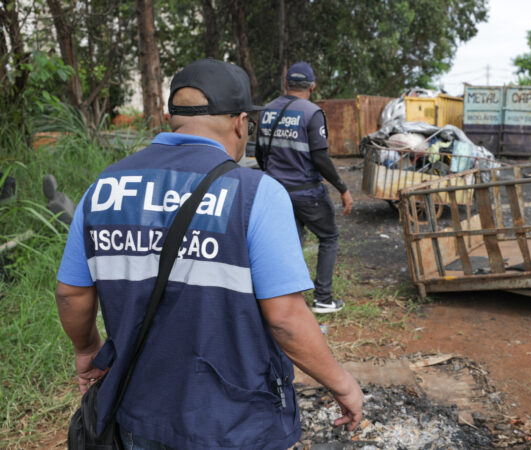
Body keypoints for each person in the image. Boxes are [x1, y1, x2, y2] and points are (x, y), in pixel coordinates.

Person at [55, 58, 363, 450]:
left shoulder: (102, 189)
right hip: (234, 423)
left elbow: (71, 294)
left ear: (171, 119)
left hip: (139, 413)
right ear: (240, 123)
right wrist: (342, 383)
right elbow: (286, 319)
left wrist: (86, 349)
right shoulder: (256, 194)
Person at [256, 61, 353, 314]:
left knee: (291, 241)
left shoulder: (267, 111)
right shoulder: (312, 113)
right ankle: (323, 299)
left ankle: (282, 298)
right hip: (307, 192)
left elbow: (259, 154)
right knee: (328, 236)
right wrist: (342, 188)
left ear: (286, 84)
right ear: (312, 86)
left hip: (276, 191)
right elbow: (320, 158)